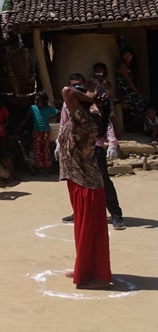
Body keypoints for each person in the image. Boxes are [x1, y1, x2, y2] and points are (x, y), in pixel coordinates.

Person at [57, 84, 112, 290]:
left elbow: (66, 91)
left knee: (91, 232)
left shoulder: (86, 121)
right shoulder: (82, 119)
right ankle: (84, 267)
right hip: (79, 181)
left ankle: (98, 276)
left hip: (87, 185)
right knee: (83, 231)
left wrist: (89, 96)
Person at [58, 73, 125, 230]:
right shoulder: (68, 105)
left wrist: (113, 143)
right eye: (75, 86)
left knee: (103, 182)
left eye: (80, 85)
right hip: (75, 150)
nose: (77, 88)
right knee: (78, 183)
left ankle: (116, 214)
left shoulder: (95, 107)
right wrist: (58, 145)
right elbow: (63, 124)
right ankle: (79, 212)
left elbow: (106, 123)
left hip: (94, 149)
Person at [18, 91, 59, 174]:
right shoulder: (33, 108)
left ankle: (47, 167)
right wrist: (20, 127)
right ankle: (40, 167)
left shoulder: (48, 109)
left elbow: (59, 112)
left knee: (46, 150)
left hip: (46, 132)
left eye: (38, 101)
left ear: (44, 101)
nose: (36, 102)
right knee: (37, 150)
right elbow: (27, 118)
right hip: (36, 132)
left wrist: (51, 119)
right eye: (35, 101)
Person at [116, 46, 147, 127]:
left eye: (129, 55)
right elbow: (128, 81)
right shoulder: (123, 65)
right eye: (125, 55)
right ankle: (137, 122)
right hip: (124, 91)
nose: (127, 57)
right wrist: (136, 91)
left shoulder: (130, 65)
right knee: (141, 102)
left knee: (139, 103)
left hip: (129, 90)